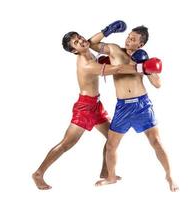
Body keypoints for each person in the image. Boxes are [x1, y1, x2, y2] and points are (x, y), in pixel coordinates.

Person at [32, 24, 139, 190]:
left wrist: (107, 30)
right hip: (84, 107)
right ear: (74, 51)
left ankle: (106, 172)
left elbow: (91, 40)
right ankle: (38, 173)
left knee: (111, 138)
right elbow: (117, 69)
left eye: (79, 37)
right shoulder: (86, 64)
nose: (81, 40)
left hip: (96, 105)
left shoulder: (87, 49)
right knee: (66, 144)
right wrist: (142, 67)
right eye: (76, 42)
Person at [89, 21, 179, 192]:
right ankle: (111, 177)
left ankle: (169, 176)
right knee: (111, 145)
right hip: (123, 107)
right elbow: (91, 44)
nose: (128, 40)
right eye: (128, 37)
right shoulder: (115, 50)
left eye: (133, 39)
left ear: (141, 44)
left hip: (142, 105)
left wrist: (147, 68)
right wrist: (107, 31)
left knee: (156, 142)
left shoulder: (143, 57)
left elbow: (158, 84)